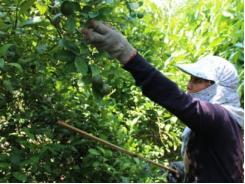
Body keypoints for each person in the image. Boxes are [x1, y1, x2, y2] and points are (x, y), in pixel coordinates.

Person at [82, 20, 244, 182]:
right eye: (190, 79)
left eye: (197, 80)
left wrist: (127, 54)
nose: (189, 85)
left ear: (217, 87)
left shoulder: (221, 118)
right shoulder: (223, 123)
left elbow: (175, 98)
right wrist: (187, 171)